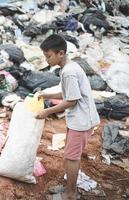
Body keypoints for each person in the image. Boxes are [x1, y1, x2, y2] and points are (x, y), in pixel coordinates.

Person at [35, 35, 100, 200]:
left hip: (81, 121)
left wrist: (47, 112)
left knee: (72, 158)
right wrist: (47, 95)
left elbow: (71, 100)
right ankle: (68, 187)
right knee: (69, 155)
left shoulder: (69, 72)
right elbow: (68, 92)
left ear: (61, 53)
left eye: (48, 56)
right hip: (80, 119)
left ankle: (70, 194)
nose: (46, 60)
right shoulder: (69, 67)